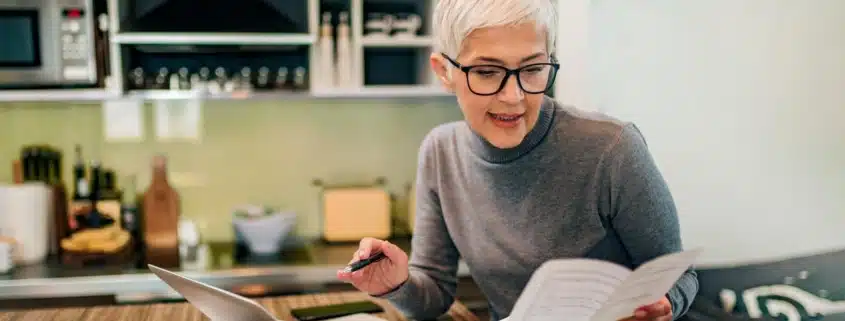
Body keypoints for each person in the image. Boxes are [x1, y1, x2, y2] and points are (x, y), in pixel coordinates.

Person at [336, 0, 699, 320]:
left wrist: (664, 303)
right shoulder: (440, 152)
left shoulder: (613, 149)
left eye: (532, 69)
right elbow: (433, 294)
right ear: (444, 71)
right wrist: (395, 284)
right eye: (487, 72)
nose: (514, 96)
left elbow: (680, 276)